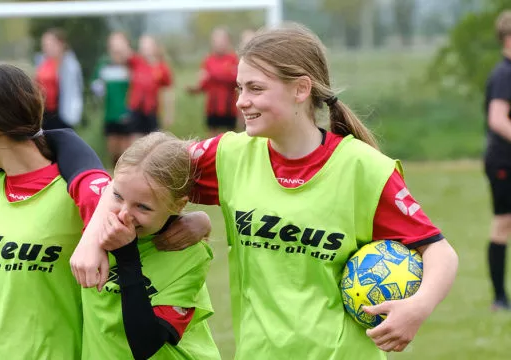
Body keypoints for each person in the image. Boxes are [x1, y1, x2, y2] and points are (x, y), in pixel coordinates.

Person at [64, 23, 459, 359]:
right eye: (239, 88)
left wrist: (417, 308)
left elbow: (439, 250)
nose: (242, 102)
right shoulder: (229, 156)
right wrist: (92, 241)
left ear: (301, 89)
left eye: (255, 88)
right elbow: (136, 174)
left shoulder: (364, 169)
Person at [0, 67, 212, 360]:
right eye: (118, 197)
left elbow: (135, 208)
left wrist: (196, 221)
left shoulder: (78, 194)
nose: (122, 213)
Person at [78, 132, 220, 360]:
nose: (124, 214)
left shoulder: (189, 255)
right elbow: (61, 143)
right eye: (117, 195)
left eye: (142, 207)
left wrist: (127, 257)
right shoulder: (96, 222)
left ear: (178, 204)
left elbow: (145, 344)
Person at [483, 10, 511, 311]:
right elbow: (497, 119)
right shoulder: (505, 74)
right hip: (504, 161)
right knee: (503, 224)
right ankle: (500, 299)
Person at [115, 34, 174, 136]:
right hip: (135, 110)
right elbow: (124, 54)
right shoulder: (137, 62)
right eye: (142, 45)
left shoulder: (162, 68)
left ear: (154, 47)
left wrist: (169, 114)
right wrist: (120, 43)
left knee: (152, 144)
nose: (144, 48)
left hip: (151, 111)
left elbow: (168, 92)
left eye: (147, 45)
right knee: (134, 142)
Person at [187, 27, 239, 138]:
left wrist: (212, 75)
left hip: (229, 106)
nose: (219, 43)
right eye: (216, 40)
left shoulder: (233, 59)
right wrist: (195, 89)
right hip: (212, 106)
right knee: (212, 138)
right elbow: (204, 84)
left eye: (222, 40)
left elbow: (235, 79)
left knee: (232, 137)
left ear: (227, 41)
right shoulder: (208, 60)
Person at [91, 32, 133, 165]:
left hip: (129, 114)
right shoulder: (104, 64)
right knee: (114, 154)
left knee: (127, 155)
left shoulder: (132, 64)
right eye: (113, 43)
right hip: (110, 115)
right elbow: (96, 84)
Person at [36, 28, 84, 130]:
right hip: (44, 114)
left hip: (63, 114)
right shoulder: (41, 62)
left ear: (60, 44)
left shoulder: (70, 65)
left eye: (51, 44)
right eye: (45, 45)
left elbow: (75, 90)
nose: (47, 48)